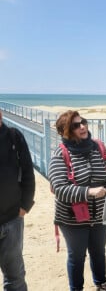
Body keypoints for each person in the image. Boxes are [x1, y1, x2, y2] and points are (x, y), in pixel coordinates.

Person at [48, 110, 106, 291]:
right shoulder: (60, 153)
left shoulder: (98, 147)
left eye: (84, 122)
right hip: (72, 217)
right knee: (77, 256)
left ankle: (101, 284)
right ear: (66, 131)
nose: (83, 127)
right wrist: (88, 192)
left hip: (100, 214)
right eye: (76, 125)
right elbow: (60, 188)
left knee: (98, 251)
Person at [0, 110, 35, 290]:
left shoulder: (14, 136)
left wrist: (25, 206)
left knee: (15, 277)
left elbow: (28, 171)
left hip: (13, 219)